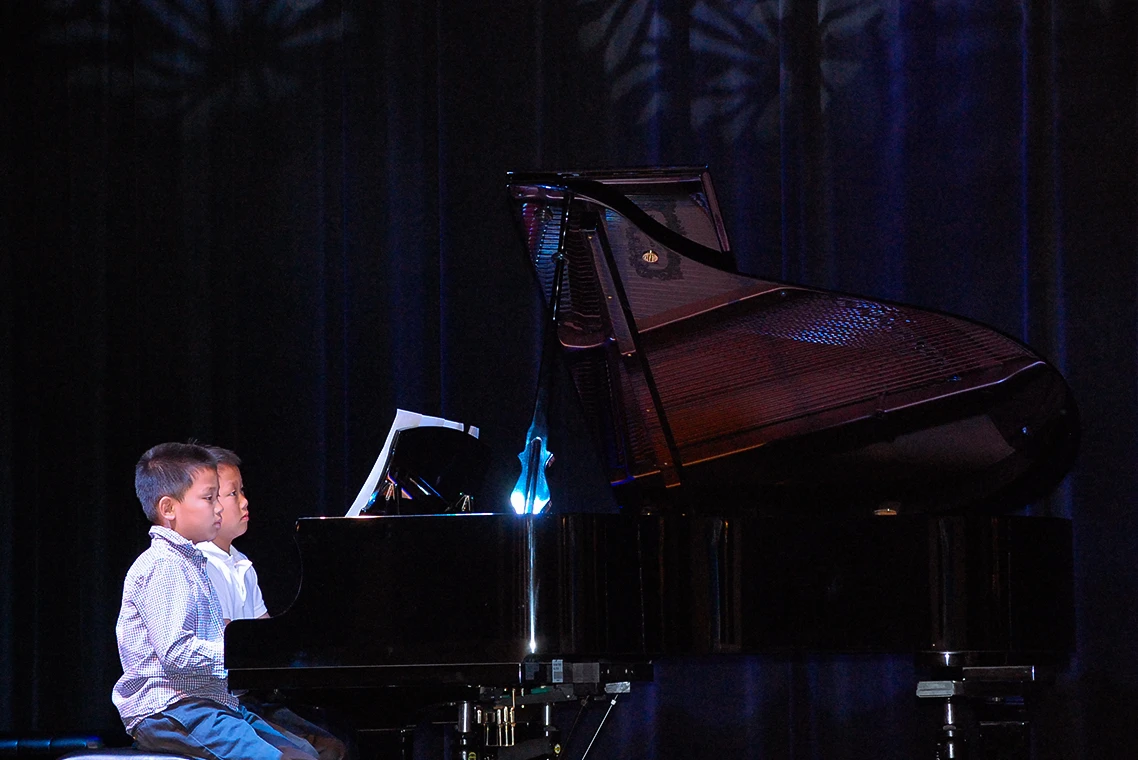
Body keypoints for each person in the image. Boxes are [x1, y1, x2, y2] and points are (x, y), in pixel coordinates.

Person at [112, 441, 318, 760]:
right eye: (209, 499)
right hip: (170, 707)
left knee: (306, 751)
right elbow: (176, 651)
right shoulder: (163, 565)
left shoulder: (191, 562)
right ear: (168, 509)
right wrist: (240, 652)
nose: (219, 508)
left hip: (207, 701)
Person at [196, 446, 349, 760]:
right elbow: (231, 639)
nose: (244, 501)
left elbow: (266, 633)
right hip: (220, 701)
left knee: (332, 747)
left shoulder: (242, 564)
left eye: (243, 491)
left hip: (247, 699)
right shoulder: (200, 565)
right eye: (232, 493)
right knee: (305, 753)